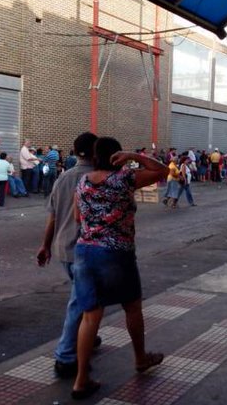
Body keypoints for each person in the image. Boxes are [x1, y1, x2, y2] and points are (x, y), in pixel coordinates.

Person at [70, 137, 168, 400]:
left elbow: (78, 217)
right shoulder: (124, 179)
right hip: (116, 253)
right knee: (132, 307)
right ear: (117, 155)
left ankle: (81, 380)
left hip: (84, 252)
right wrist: (133, 155)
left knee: (90, 316)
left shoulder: (83, 182)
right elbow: (162, 170)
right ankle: (140, 358)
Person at [36, 132, 99, 379]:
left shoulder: (63, 178)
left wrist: (45, 245)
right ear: (96, 152)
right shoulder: (96, 178)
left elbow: (52, 216)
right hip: (84, 250)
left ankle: (87, 336)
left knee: (84, 298)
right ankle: (65, 355)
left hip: (62, 248)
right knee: (80, 302)